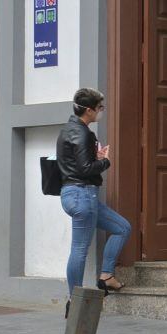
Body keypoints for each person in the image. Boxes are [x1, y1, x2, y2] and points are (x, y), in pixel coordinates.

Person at [57, 88, 132, 315]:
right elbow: (85, 168)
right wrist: (105, 161)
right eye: (100, 108)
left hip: (72, 194)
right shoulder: (84, 133)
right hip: (83, 195)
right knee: (79, 248)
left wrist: (94, 158)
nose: (101, 111)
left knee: (122, 227)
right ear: (89, 110)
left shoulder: (67, 130)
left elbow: (78, 163)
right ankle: (75, 300)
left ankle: (106, 276)